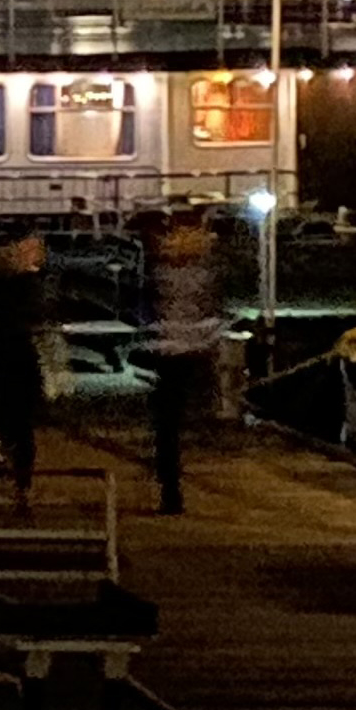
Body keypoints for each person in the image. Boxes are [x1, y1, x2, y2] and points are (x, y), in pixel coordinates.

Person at [141, 213, 223, 514]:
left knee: (167, 426)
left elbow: (152, 309)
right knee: (174, 425)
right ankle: (171, 488)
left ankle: (170, 488)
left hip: (174, 353)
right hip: (188, 352)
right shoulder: (202, 272)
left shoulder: (162, 272)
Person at [0, 236, 51, 505]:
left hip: (9, 361)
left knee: (12, 426)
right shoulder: (19, 285)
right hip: (10, 360)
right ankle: (12, 480)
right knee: (8, 426)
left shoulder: (18, 285)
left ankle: (13, 481)